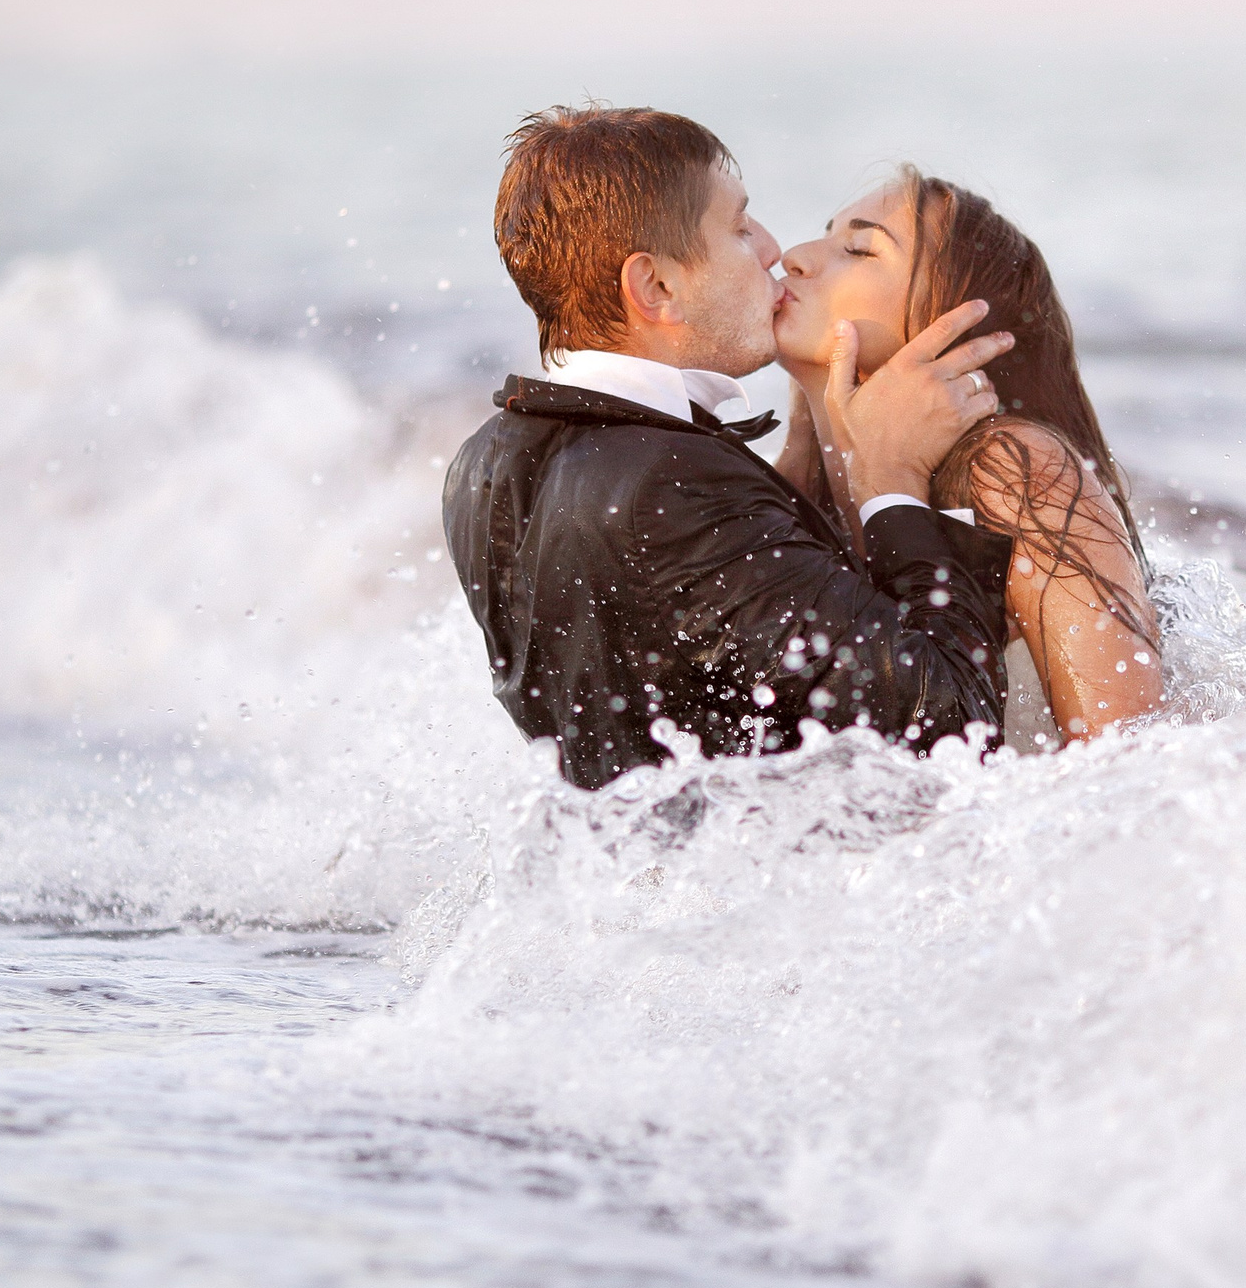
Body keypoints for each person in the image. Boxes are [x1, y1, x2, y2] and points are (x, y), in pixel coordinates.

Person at [443, 107, 1019, 789]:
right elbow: (953, 727)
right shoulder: (675, 484)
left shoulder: (485, 461)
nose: (774, 247)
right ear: (656, 286)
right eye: (740, 228)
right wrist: (893, 480)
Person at [774, 169, 1163, 748]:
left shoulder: (1014, 470)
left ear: (948, 329)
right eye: (825, 235)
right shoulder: (788, 489)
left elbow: (1127, 754)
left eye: (859, 248)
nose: (795, 256)